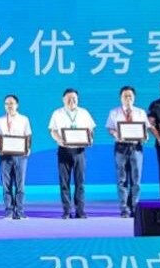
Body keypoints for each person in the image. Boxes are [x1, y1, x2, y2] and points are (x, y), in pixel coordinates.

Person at [48, 88, 96, 219]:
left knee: (80, 182)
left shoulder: (84, 113)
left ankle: (80, 210)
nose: (72, 101)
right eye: (69, 98)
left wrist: (90, 139)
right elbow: (53, 130)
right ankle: (66, 210)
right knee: (64, 182)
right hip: (64, 150)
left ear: (78, 99)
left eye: (74, 98)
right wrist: (59, 140)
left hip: (79, 151)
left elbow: (90, 130)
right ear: (63, 99)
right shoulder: (57, 113)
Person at [105, 86, 151, 218]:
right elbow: (110, 128)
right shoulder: (114, 112)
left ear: (134, 97)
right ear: (121, 98)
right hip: (121, 147)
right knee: (122, 179)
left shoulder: (141, 112)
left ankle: (135, 206)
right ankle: (124, 208)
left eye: (130, 96)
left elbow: (146, 130)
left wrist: (145, 136)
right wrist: (115, 134)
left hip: (136, 147)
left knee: (136, 179)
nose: (128, 98)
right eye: (125, 96)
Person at [0, 94, 31, 220]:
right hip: (5, 156)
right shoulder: (0, 120)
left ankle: (19, 211)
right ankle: (9, 211)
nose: (9, 106)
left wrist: (28, 148)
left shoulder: (24, 119)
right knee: (6, 185)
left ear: (17, 105)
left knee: (20, 185)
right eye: (7, 104)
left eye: (12, 103)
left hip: (21, 156)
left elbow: (28, 136)